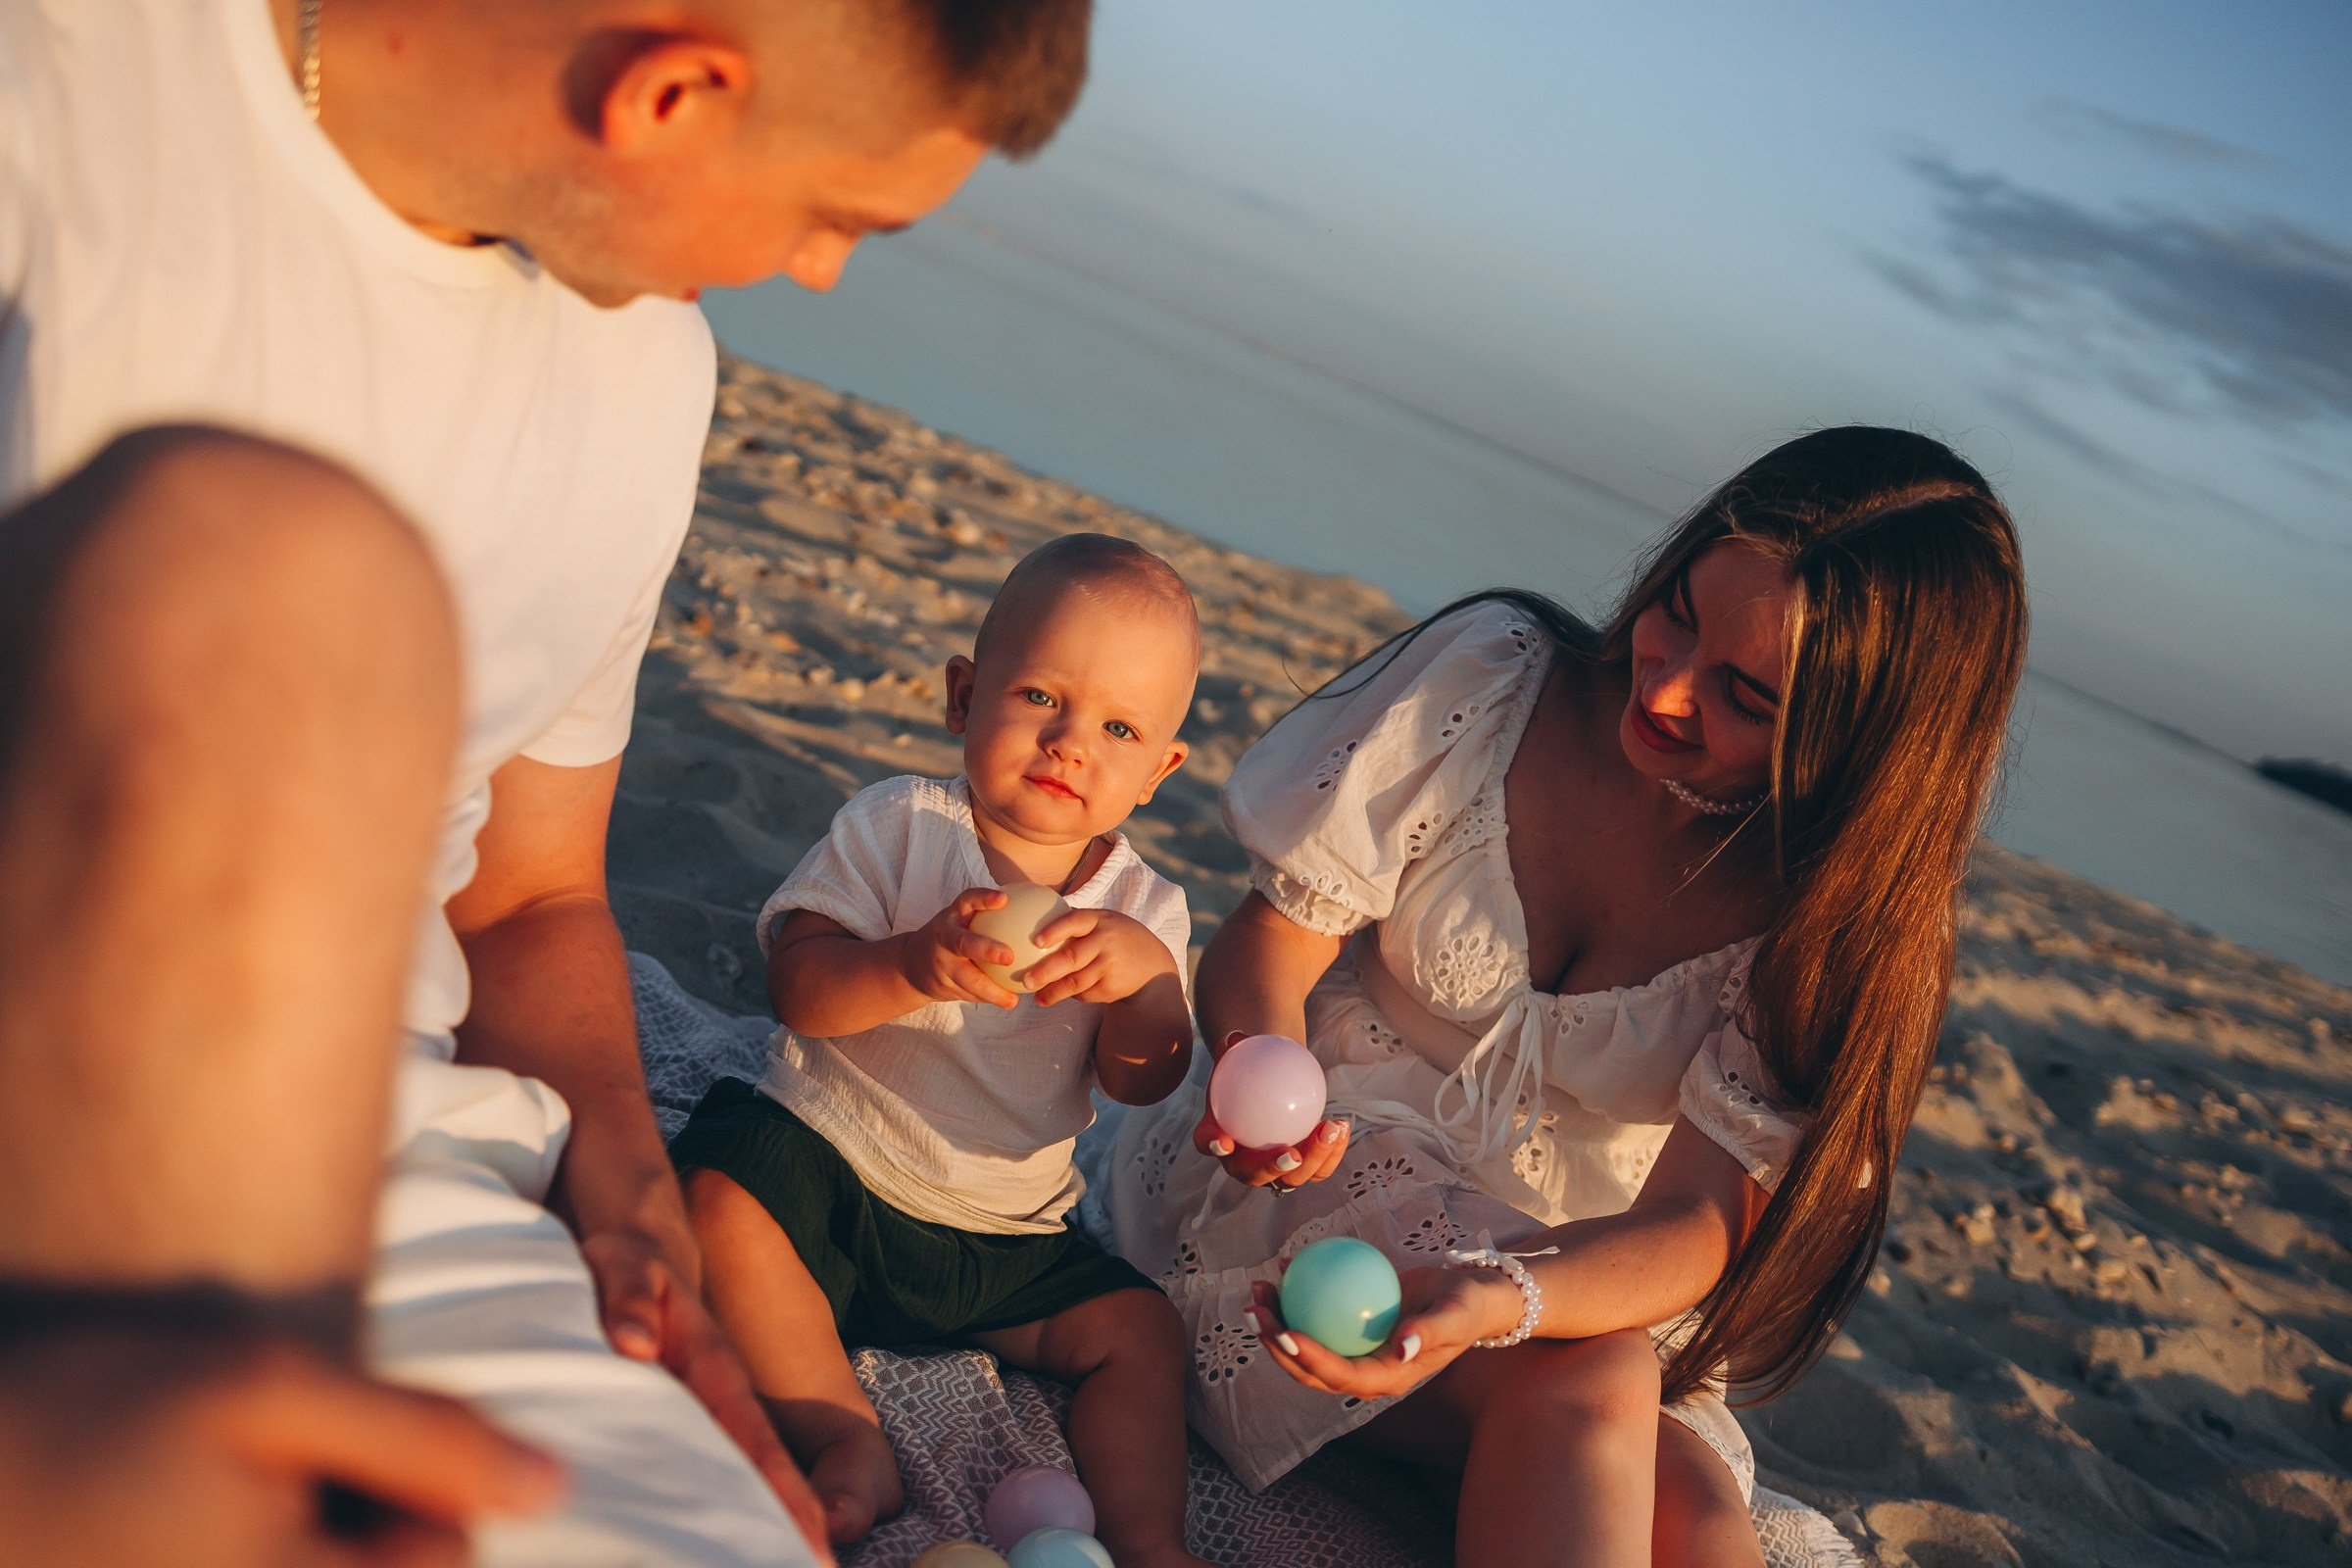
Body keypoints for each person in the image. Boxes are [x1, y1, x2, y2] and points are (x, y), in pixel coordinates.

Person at [0, 0, 1090, 1562]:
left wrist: (631, 1200)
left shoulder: (640, 378)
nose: (820, 271)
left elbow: (524, 893)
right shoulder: (61, 89)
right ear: (671, 95)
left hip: (382, 1159)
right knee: (253, 558)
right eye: (836, 215)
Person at [1104, 427, 2029, 1568]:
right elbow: (1272, 938)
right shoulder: (1491, 681)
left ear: (1856, 750)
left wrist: (1496, 1295)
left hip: (1574, 1277)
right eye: (1679, 610)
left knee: (1690, 1508)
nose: (1668, 682)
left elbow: (1693, 1225)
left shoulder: (1842, 918)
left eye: (1746, 693)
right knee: (1597, 1377)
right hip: (1298, 1192)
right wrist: (1259, 1073)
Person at [672, 535, 1213, 1568]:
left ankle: (1148, 1538)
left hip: (999, 1232)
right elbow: (800, 990)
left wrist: (1146, 990)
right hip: (826, 1167)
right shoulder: (901, 827)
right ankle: (844, 1434)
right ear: (964, 695)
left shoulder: (1146, 911)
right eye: (1042, 698)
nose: (1069, 743)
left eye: (1118, 727)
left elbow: (1143, 1078)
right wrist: (910, 965)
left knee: (1140, 1335)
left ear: (1158, 770)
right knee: (714, 1203)